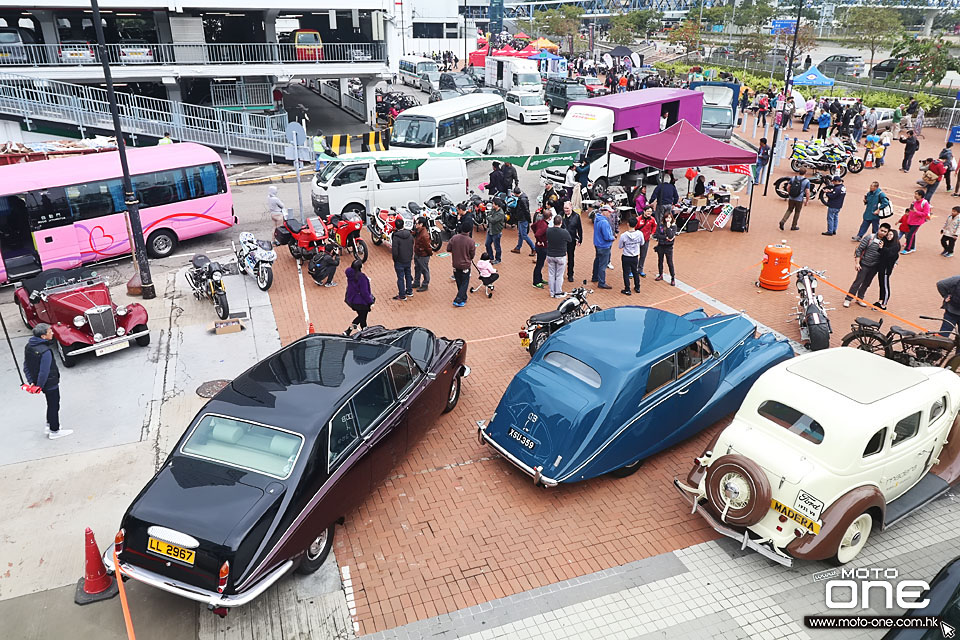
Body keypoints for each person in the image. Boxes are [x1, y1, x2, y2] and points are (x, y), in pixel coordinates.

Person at [23, 323, 72, 439]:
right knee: (54, 405)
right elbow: (44, 371)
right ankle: (54, 430)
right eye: (50, 332)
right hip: (50, 383)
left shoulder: (29, 346)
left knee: (50, 403)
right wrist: (40, 385)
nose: (52, 333)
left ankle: (49, 424)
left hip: (38, 382)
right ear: (43, 337)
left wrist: (32, 382)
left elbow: (26, 365)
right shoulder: (45, 352)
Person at [843, 222, 892, 308]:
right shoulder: (870, 237)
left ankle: (860, 298)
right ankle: (848, 299)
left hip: (875, 266)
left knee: (867, 283)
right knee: (858, 282)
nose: (882, 233)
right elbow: (859, 249)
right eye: (881, 230)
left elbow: (890, 253)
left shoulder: (886, 242)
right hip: (864, 264)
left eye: (885, 232)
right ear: (878, 229)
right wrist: (857, 263)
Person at [344, 260, 374, 335]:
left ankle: (349, 331)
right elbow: (365, 292)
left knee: (361, 316)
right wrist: (370, 302)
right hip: (361, 302)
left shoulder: (350, 275)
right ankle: (363, 331)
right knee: (362, 317)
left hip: (351, 300)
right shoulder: (362, 278)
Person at [448, 222, 475, 307]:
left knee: (459, 281)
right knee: (465, 282)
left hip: (455, 264)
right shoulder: (471, 241)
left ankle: (464, 297)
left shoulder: (454, 238)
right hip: (465, 265)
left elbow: (448, 248)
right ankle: (458, 299)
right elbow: (472, 254)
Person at [546, 215, 572, 298]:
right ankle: (558, 292)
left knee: (551, 274)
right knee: (559, 275)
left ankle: (552, 292)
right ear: (561, 222)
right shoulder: (564, 232)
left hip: (550, 255)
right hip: (560, 255)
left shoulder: (548, 231)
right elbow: (570, 240)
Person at [618, 216, 645, 295]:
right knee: (635, 271)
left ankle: (627, 289)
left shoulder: (624, 235)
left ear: (628, 224)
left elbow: (620, 246)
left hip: (626, 256)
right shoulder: (640, 234)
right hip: (635, 256)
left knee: (626, 273)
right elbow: (642, 243)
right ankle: (637, 287)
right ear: (636, 224)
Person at [875, 228, 900, 310]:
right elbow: (880, 252)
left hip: (886, 268)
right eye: (888, 234)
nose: (889, 236)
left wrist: (882, 248)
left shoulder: (895, 246)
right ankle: (880, 300)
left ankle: (884, 304)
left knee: (885, 285)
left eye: (891, 235)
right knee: (881, 284)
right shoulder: (885, 242)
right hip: (881, 267)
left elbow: (890, 254)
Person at [591, 205, 615, 289]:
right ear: (604, 211)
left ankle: (595, 277)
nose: (610, 214)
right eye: (609, 212)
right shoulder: (604, 222)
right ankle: (601, 282)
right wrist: (612, 238)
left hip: (597, 244)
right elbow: (607, 236)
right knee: (603, 265)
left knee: (597, 260)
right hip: (604, 246)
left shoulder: (597, 219)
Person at [901, 189, 931, 255]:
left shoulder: (925, 203)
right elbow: (910, 211)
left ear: (920, 196)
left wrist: (916, 212)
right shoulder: (914, 202)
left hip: (917, 222)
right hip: (910, 221)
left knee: (910, 235)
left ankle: (908, 249)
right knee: (912, 234)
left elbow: (925, 214)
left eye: (916, 194)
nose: (915, 196)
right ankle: (912, 247)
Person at [391, 217, 414, 301]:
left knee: (400, 278)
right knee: (408, 275)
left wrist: (395, 259)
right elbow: (412, 245)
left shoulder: (396, 237)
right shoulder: (410, 235)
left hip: (399, 261)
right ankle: (409, 291)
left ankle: (402, 295)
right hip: (408, 259)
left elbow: (395, 251)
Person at [509, 187, 535, 256]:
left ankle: (533, 248)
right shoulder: (523, 198)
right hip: (521, 219)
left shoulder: (522, 200)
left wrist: (528, 219)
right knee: (521, 234)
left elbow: (526, 210)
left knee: (524, 235)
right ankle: (518, 248)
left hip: (523, 219)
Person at [654, 211, 677, 286]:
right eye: (666, 217)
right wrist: (665, 237)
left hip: (668, 247)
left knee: (669, 262)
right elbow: (657, 235)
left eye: (669, 218)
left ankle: (672, 277)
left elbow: (671, 236)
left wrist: (668, 227)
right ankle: (660, 274)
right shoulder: (660, 225)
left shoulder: (673, 226)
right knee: (660, 261)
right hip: (661, 245)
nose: (668, 219)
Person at [562, 201, 583, 282]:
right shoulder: (561, 215)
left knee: (571, 257)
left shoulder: (576, 216)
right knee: (561, 257)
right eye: (564, 208)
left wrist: (580, 239)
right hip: (562, 240)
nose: (566, 210)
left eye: (567, 208)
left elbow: (579, 229)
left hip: (571, 240)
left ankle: (570, 274)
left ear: (571, 207)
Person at [635, 207, 657, 278]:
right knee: (634, 255)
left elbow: (654, 226)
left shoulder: (652, 219)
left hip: (646, 240)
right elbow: (634, 228)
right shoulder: (638, 219)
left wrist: (652, 233)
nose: (649, 213)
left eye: (650, 212)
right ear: (644, 211)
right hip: (637, 241)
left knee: (643, 255)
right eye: (648, 211)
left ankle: (640, 270)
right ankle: (632, 270)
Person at [412, 217, 432, 292]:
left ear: (421, 224)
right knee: (417, 268)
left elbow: (428, 246)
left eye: (417, 223)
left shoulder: (424, 235)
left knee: (424, 270)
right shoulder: (418, 231)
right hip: (418, 253)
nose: (415, 225)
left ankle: (425, 284)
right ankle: (416, 282)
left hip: (423, 255)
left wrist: (429, 254)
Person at [485, 197, 506, 264]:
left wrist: (489, 217)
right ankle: (491, 257)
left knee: (497, 246)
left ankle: (498, 259)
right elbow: (489, 215)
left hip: (496, 232)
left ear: (497, 205)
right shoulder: (493, 210)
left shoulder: (500, 213)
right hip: (490, 231)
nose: (492, 205)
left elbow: (493, 220)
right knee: (487, 244)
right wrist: (489, 217)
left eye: (493, 204)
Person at [531, 211, 549, 289]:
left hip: (539, 247)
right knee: (539, 264)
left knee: (540, 263)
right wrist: (540, 241)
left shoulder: (540, 222)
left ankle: (539, 278)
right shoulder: (545, 226)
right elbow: (537, 234)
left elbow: (532, 226)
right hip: (542, 247)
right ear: (550, 217)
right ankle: (536, 282)